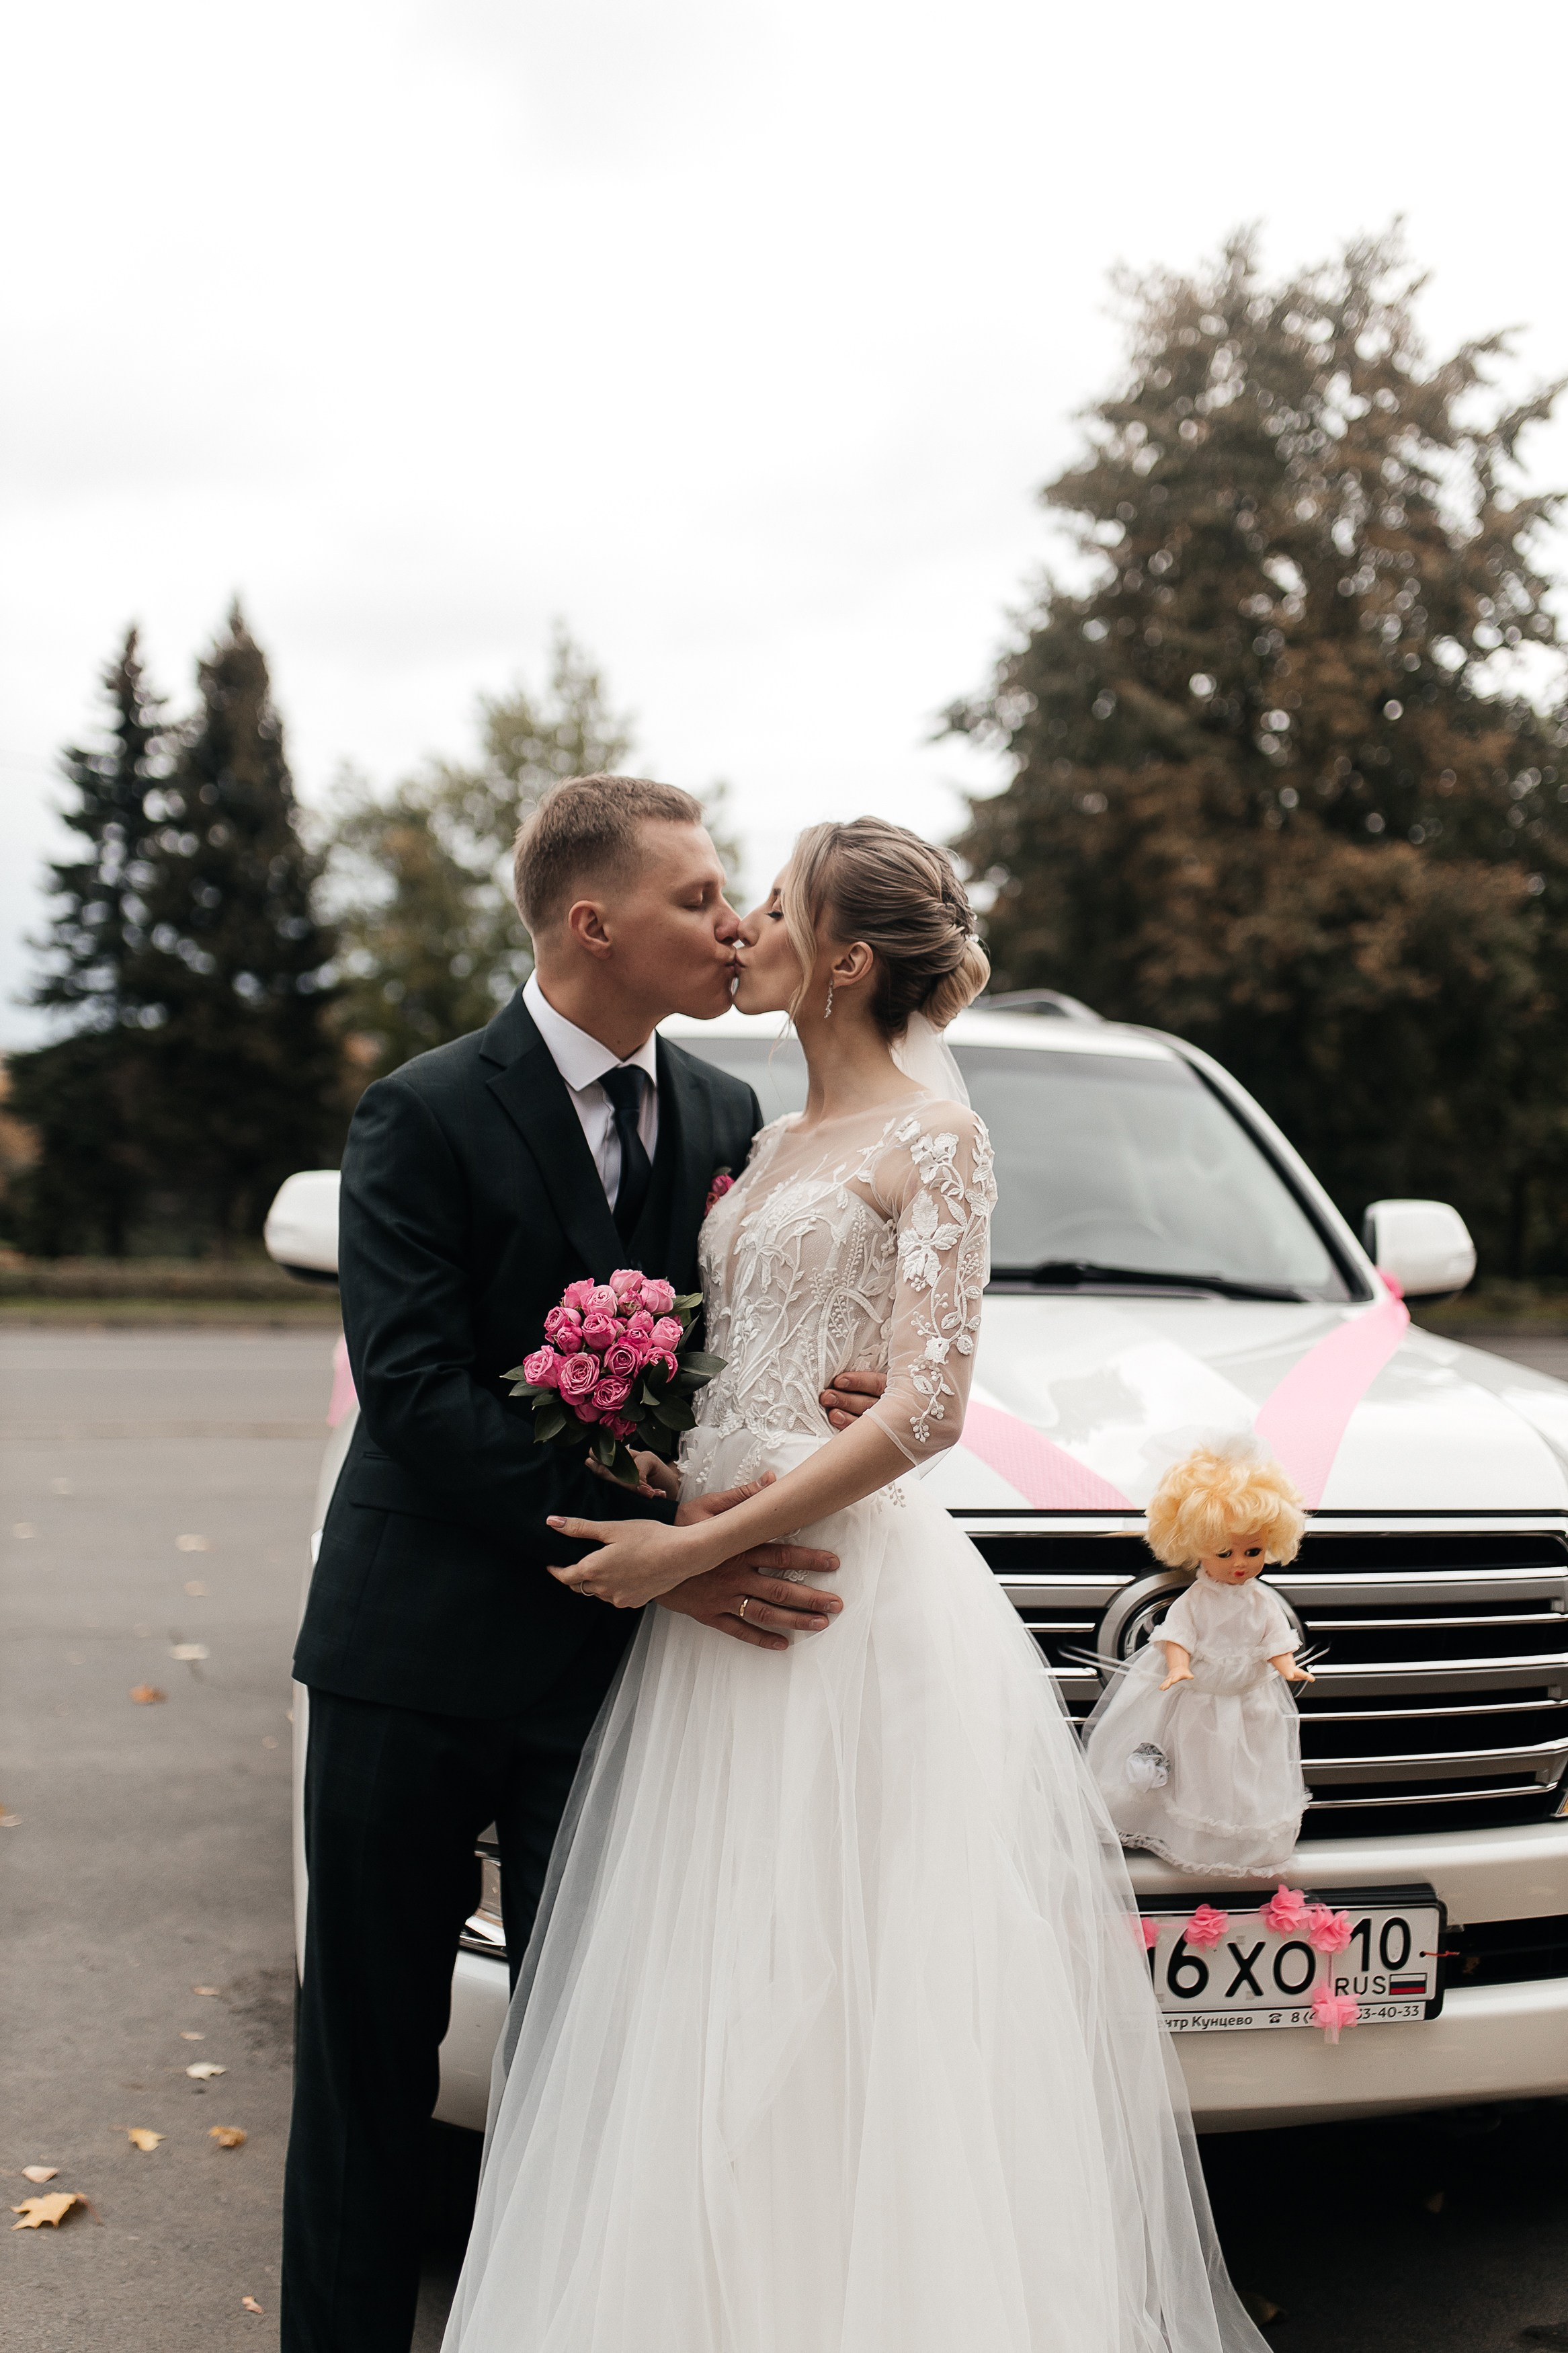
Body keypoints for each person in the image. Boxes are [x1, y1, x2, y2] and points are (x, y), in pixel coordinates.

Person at [442, 817, 1267, 2352]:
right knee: (711, 1981)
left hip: (837, 1603)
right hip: (714, 1624)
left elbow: (930, 1409)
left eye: (770, 906)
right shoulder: (760, 1143)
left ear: (845, 958)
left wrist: (692, 1548)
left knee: (858, 1979)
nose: (740, 927)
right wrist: (657, 1463)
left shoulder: (936, 1140)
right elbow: (744, 1353)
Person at [281, 776, 886, 2353]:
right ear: (591, 923)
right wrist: (660, 1560)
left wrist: (845, 1385)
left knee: (595, 2074)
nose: (735, 925)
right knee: (367, 2070)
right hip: (411, 1659)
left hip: (615, 1689)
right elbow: (414, 1393)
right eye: (698, 899)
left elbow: (750, 1348)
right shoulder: (420, 1110)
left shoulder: (729, 1120)